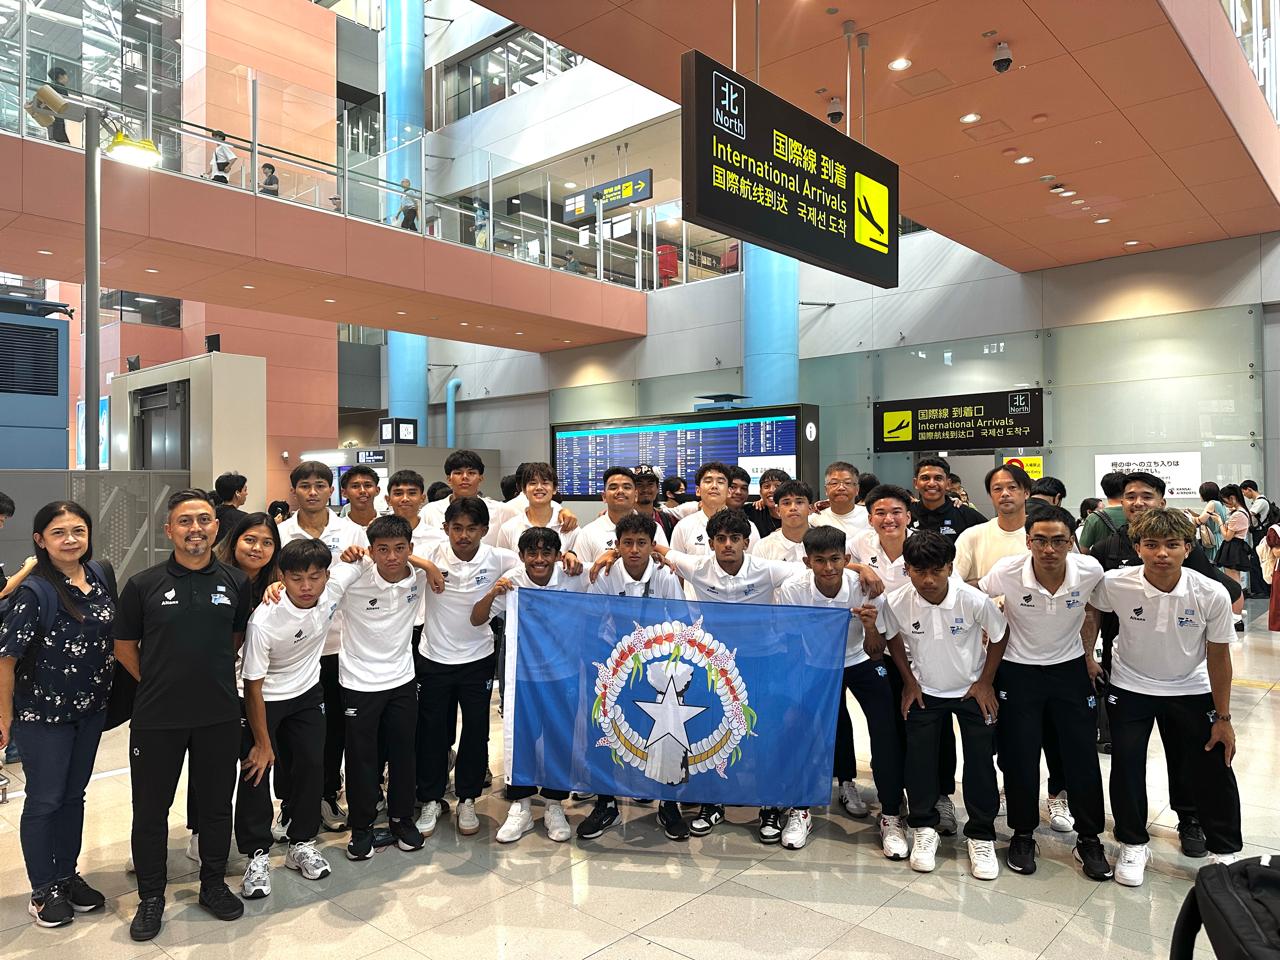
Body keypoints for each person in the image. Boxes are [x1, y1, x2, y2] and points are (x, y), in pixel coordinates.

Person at [114, 489, 252, 941]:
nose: (196, 529)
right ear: (169, 529)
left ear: (216, 527)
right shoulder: (143, 584)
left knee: (215, 807)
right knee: (150, 811)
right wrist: (157, 679)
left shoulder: (235, 581)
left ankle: (212, 885)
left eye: (204, 520)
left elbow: (234, 639)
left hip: (216, 713)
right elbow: (123, 647)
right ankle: (152, 897)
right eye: (186, 521)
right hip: (157, 716)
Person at [1089, 471, 1242, 853]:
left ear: (1187, 548)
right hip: (1130, 686)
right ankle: (1132, 840)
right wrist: (1086, 656)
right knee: (1125, 763)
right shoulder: (1115, 582)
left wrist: (1223, 718)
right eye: (1152, 544)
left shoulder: (1211, 593)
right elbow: (1091, 610)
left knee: (1202, 759)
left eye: (1172, 545)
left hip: (1189, 687)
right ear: (1137, 546)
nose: (1162, 553)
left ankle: (1202, 830)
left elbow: (1219, 656)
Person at [978, 505, 1112, 881]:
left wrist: (1088, 655)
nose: (1049, 549)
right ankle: (1022, 834)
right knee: (1019, 756)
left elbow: (1094, 610)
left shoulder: (1089, 570)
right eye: (1040, 540)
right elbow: (972, 593)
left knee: (1081, 757)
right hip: (1018, 673)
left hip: (1068, 671)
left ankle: (1089, 839)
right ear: (1028, 541)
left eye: (1058, 541)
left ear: (1072, 543)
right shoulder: (1006, 571)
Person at [867, 531, 1007, 880]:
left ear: (949, 567)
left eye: (936, 571)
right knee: (920, 762)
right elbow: (891, 636)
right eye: (918, 571)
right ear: (907, 569)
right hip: (925, 692)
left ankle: (980, 834)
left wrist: (985, 682)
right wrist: (910, 682)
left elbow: (1000, 636)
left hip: (970, 692)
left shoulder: (972, 599)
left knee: (979, 764)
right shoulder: (896, 601)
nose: (927, 580)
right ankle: (924, 829)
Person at [0, 501, 114, 927]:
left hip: (90, 711)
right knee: (46, 799)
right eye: (59, 532)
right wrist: (5, 717)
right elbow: (6, 658)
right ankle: (42, 888)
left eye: (78, 531)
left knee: (73, 796)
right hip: (42, 715)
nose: (70, 540)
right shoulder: (36, 591)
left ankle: (66, 876)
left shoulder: (101, 575)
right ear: (40, 541)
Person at [653, 509, 794, 839]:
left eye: (734, 539)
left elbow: (812, 571)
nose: (728, 545)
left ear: (747, 542)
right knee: (712, 733)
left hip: (762, 660)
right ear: (712, 543)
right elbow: (660, 550)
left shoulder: (768, 569)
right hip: (716, 665)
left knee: (763, 732)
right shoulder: (696, 566)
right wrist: (607, 554)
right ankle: (712, 802)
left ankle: (770, 806)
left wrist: (858, 567)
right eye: (720, 539)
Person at [784, 526, 907, 857]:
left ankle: (892, 814)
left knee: (885, 731)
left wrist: (869, 627)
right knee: (807, 732)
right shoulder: (794, 589)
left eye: (835, 560)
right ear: (807, 561)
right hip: (816, 665)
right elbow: (790, 643)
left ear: (847, 559)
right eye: (820, 561)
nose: (828, 568)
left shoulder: (865, 587)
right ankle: (802, 807)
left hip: (861, 660)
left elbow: (879, 649)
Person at [331, 515, 442, 861]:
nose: (391, 557)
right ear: (371, 550)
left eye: (399, 549)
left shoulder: (420, 576)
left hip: (402, 679)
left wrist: (424, 563)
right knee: (362, 758)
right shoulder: (353, 575)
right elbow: (318, 590)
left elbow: (431, 568)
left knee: (403, 753)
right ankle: (361, 826)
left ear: (410, 549)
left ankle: (401, 819)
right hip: (358, 681)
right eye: (382, 550)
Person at [236, 538, 343, 896]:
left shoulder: (330, 591)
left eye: (315, 577)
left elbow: (366, 562)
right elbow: (252, 686)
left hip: (307, 693)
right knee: (256, 769)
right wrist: (264, 744)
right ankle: (256, 854)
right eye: (297, 578)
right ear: (281, 577)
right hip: (262, 697)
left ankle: (301, 843)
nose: (307, 586)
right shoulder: (265, 620)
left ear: (327, 575)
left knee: (313, 765)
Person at [414, 498, 521, 839]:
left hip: (478, 659)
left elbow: (541, 563)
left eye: (471, 528)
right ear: (445, 528)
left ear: (484, 531)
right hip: (434, 657)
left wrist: (573, 559)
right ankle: (430, 798)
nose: (463, 535)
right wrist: (428, 567)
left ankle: (468, 798)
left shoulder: (499, 558)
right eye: (456, 528)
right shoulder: (432, 553)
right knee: (431, 732)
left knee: (476, 731)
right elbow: (391, 555)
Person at [472, 526, 587, 844]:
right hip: (522, 675)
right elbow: (477, 618)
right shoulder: (512, 581)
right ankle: (520, 806)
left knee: (558, 741)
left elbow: (608, 566)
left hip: (563, 674)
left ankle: (553, 805)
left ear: (557, 555)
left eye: (546, 552)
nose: (539, 559)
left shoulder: (571, 575)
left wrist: (580, 557)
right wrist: (494, 593)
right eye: (532, 553)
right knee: (520, 740)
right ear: (521, 556)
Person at [579, 514, 688, 841]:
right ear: (618, 545)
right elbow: (590, 621)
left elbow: (681, 621)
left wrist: (673, 664)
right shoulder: (606, 575)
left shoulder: (666, 575)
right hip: (614, 663)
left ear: (652, 545)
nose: (635, 549)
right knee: (603, 731)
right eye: (628, 543)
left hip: (656, 665)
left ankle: (668, 805)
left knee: (668, 734)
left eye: (642, 543)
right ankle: (605, 802)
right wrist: (603, 662)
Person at [276, 461, 369, 832]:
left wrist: (356, 563)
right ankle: (289, 802)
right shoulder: (280, 532)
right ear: (294, 491)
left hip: (337, 647)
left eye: (319, 485)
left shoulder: (352, 532)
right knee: (287, 732)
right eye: (304, 486)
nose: (312, 492)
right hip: (291, 651)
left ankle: (328, 794)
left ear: (332, 491)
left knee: (332, 731)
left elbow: (368, 577)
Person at [954, 463, 1033, 584]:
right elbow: (952, 584)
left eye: (1012, 487)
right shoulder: (971, 536)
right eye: (997, 489)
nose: (1005, 493)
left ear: (1026, 493)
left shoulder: (1042, 536)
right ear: (990, 496)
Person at [419, 450, 515, 546]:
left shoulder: (501, 511)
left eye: (471, 473)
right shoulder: (430, 512)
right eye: (458, 473)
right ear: (449, 479)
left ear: (481, 478)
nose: (465, 477)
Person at [575, 467, 668, 563]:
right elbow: (582, 575)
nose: (620, 491)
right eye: (613, 487)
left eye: (626, 487)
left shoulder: (654, 528)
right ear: (604, 497)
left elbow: (666, 568)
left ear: (635, 495)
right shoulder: (588, 533)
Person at [670, 462, 760, 558]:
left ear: (729, 491)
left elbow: (754, 566)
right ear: (698, 490)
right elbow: (675, 566)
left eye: (720, 482)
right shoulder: (683, 527)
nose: (714, 486)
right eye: (708, 481)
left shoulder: (749, 527)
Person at [495, 462, 577, 554]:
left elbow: (580, 563)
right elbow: (502, 565)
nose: (539, 487)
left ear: (554, 489)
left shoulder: (569, 526)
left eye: (545, 483)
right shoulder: (508, 528)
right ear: (524, 490)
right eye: (533, 483)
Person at [910, 457, 986, 540]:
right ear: (915, 483)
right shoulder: (905, 514)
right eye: (925, 478)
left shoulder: (966, 515)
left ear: (948, 484)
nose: (931, 483)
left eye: (938, 478)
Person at [752, 480, 814, 562]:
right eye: (786, 503)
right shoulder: (763, 547)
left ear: (810, 509)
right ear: (778, 510)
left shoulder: (825, 542)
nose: (793, 508)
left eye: (799, 502)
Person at [1215, 484, 1252, 617]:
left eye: (1225, 501)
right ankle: (1236, 614)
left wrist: (1219, 521)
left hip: (1233, 548)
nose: (1226, 505)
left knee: (1233, 584)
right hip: (1235, 547)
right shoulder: (1241, 512)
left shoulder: (1238, 514)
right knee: (1234, 582)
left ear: (1232, 498)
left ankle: (1235, 616)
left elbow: (1227, 536)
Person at [811, 461, 870, 538]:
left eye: (847, 483)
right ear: (826, 490)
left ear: (857, 489)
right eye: (834, 483)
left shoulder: (870, 517)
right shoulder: (814, 520)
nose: (841, 488)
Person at [1078, 472, 1127, 552]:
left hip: (1101, 564)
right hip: (1135, 563)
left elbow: (1083, 550)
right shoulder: (1136, 514)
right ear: (1126, 489)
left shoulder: (1094, 517)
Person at [1241, 480, 1272, 598]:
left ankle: (1262, 591)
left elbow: (1249, 514)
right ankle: (1261, 590)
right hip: (1259, 533)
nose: (1245, 495)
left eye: (1244, 493)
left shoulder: (1260, 502)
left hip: (1260, 534)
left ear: (1249, 489)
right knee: (1257, 560)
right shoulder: (1259, 501)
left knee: (1257, 561)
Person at [632, 465, 679, 541]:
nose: (645, 489)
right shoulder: (622, 519)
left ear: (657, 488)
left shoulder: (669, 521)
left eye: (650, 484)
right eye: (639, 484)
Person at [1190, 481, 1229, 563]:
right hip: (1219, 537)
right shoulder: (1220, 503)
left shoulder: (1212, 503)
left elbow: (1201, 520)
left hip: (1212, 539)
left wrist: (1190, 518)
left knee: (1212, 563)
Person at [747, 467, 792, 536]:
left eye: (778, 486)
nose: (772, 490)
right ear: (760, 492)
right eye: (767, 486)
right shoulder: (752, 512)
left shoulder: (798, 512)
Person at [212, 471, 249, 546]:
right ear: (237, 493)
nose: (246, 493)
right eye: (245, 490)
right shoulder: (243, 518)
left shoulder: (212, 512)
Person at [46, 67, 71, 144]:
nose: (67, 78)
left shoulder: (49, 87)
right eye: (66, 75)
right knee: (61, 140)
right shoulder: (61, 88)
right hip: (58, 118)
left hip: (50, 117)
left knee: (53, 137)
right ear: (61, 76)